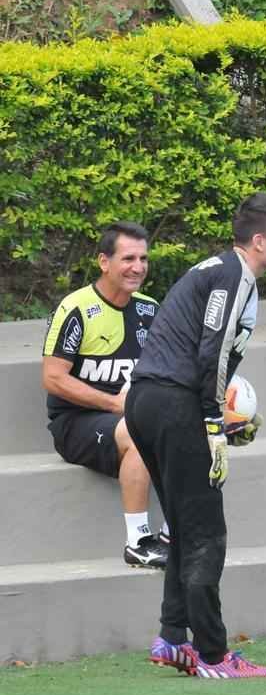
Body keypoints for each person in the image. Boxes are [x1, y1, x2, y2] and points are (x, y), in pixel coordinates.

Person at [126, 192, 266, 679]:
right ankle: (215, 656)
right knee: (206, 533)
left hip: (147, 402)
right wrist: (212, 423)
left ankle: (173, 639)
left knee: (184, 525)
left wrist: (219, 417)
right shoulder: (234, 274)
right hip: (174, 406)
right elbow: (213, 350)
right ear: (259, 241)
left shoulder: (220, 270)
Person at [42, 222, 169, 569]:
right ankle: (138, 542)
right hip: (75, 422)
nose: (138, 267)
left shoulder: (150, 309)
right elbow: (53, 378)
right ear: (104, 262)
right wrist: (115, 404)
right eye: (128, 258)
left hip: (131, 415)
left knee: (189, 429)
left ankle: (172, 534)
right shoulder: (76, 308)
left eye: (143, 258)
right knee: (139, 432)